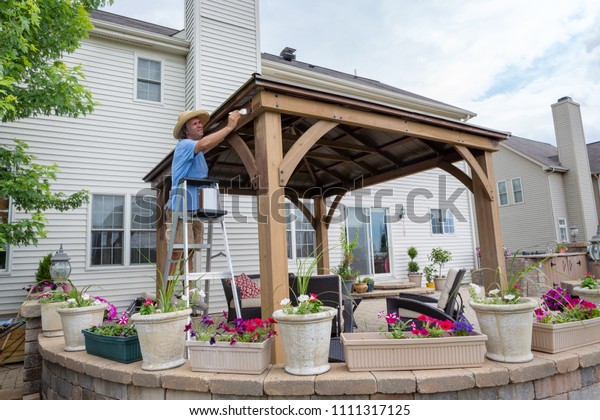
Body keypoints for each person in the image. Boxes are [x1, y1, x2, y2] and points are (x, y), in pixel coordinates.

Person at [166, 109, 243, 272]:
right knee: (178, 251)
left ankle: (189, 293)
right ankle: (167, 297)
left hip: (195, 209)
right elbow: (205, 143)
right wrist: (229, 127)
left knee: (190, 251)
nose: (200, 125)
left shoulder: (198, 153)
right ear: (185, 131)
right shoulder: (185, 145)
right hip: (180, 207)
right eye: (195, 123)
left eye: (200, 122)